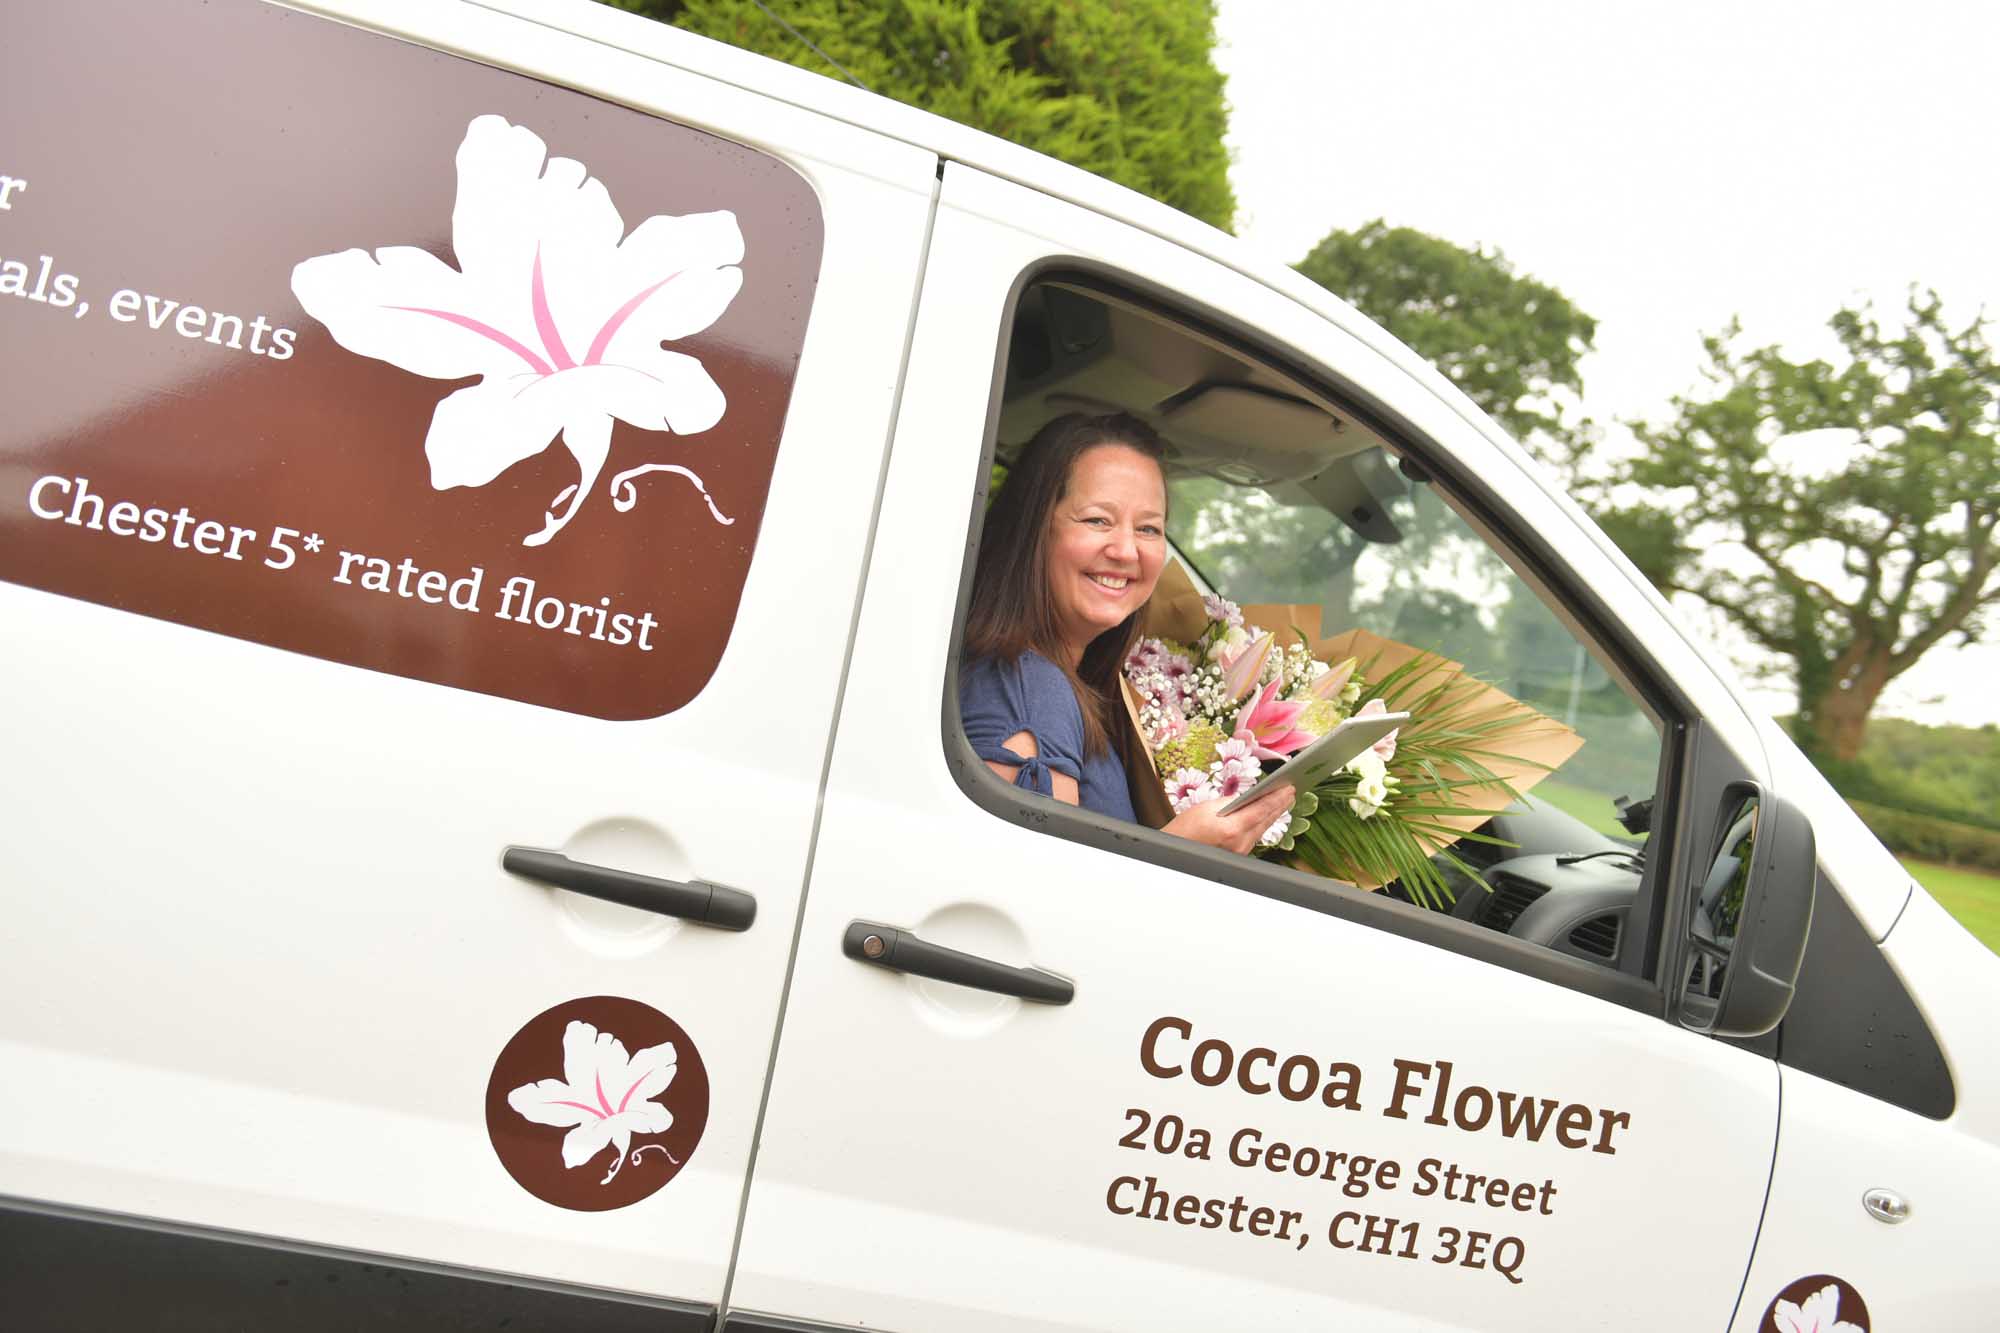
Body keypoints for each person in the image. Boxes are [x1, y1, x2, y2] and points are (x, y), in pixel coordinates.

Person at [960, 412, 1293, 854]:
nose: (1125, 550)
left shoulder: (1071, 685)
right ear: (1034, 528)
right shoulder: (1028, 692)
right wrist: (1181, 853)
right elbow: (1024, 904)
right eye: (1097, 520)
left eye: (1149, 529)